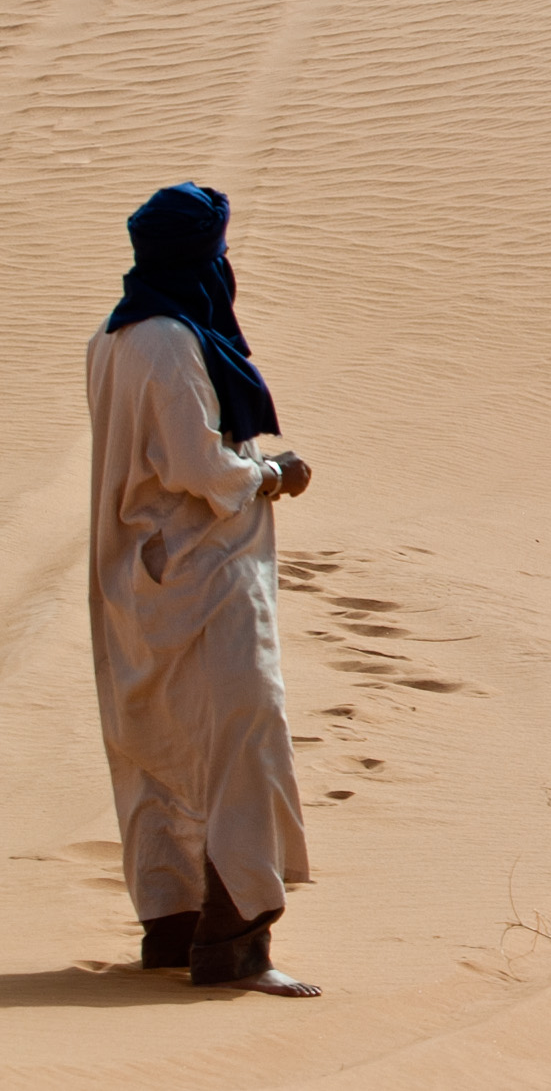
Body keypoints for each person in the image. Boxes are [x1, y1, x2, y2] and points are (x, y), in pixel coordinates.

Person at [86, 183, 319, 996]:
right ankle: (236, 939)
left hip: (139, 572)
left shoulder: (113, 337)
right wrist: (270, 472)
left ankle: (173, 921)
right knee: (243, 736)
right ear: (201, 257)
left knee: (159, 743)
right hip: (204, 570)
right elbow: (194, 466)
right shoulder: (171, 342)